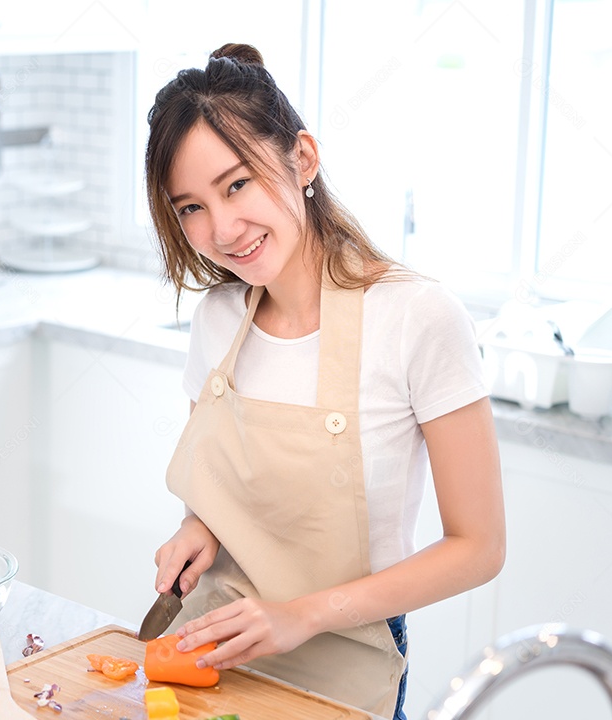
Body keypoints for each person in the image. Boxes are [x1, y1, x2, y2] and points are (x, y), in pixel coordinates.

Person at [145, 43, 505, 720]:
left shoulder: (417, 316)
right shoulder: (218, 319)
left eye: (237, 184)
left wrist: (301, 616)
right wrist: (200, 525)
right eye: (190, 206)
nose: (222, 229)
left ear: (302, 158)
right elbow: (231, 489)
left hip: (346, 653)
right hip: (215, 644)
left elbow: (478, 547)